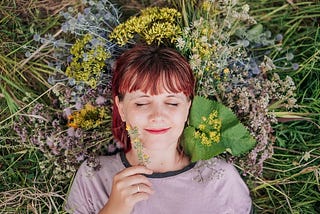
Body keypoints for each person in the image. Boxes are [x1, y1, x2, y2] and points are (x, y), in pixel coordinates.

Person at [65, 45, 252, 214]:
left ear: (188, 108)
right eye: (141, 103)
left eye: (171, 102)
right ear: (121, 109)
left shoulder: (222, 181)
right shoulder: (93, 176)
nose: (157, 116)